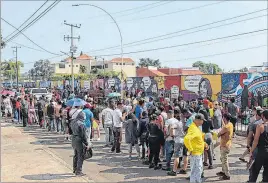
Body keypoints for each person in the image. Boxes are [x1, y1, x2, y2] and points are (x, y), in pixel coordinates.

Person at [184, 113, 208, 183]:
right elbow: (186, 139)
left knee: (197, 170)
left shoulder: (196, 127)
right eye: (202, 120)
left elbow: (198, 139)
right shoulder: (193, 128)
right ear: (197, 120)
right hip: (195, 153)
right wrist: (190, 149)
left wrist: (204, 144)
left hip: (198, 153)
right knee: (196, 170)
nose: (202, 122)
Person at [249, 109, 268, 182]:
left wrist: (251, 151)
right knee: (266, 172)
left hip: (261, 151)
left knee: (255, 171)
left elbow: (255, 141)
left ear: (263, 116)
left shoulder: (260, 126)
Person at [70, 111, 89, 176]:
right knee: (80, 156)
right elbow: (83, 136)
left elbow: (70, 131)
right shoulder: (81, 124)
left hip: (73, 139)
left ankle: (74, 169)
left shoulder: (73, 122)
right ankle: (79, 171)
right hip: (79, 140)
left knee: (75, 155)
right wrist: (86, 144)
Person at [167, 110, 185, 176]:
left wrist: (172, 135)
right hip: (183, 139)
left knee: (176, 156)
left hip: (178, 140)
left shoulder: (176, 123)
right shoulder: (184, 123)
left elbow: (171, 128)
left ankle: (174, 171)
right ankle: (181, 167)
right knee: (182, 155)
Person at [216, 113, 234, 180]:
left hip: (224, 145)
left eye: (223, 117)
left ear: (225, 118)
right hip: (227, 144)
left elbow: (219, 134)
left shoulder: (226, 127)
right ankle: (224, 171)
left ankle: (227, 175)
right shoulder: (230, 124)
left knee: (224, 160)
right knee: (222, 159)